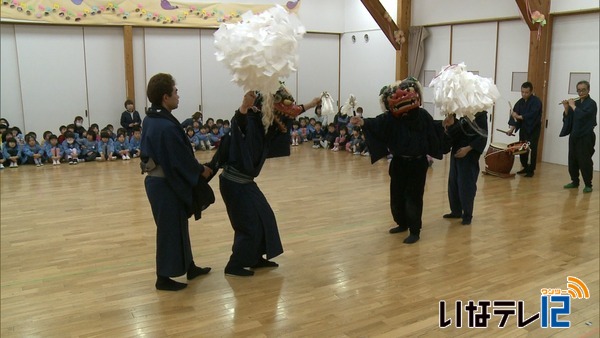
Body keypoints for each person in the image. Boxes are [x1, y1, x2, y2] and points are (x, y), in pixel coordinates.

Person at [350, 78, 447, 244]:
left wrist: (446, 124)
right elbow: (377, 123)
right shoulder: (392, 118)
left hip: (417, 163)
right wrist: (363, 121)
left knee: (414, 197)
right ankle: (402, 223)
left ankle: (415, 230)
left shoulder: (422, 115)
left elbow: (433, 127)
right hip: (399, 162)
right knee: (397, 196)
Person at [141, 73, 213, 291]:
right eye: (176, 91)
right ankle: (163, 278)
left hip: (160, 181)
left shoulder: (153, 118)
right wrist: (201, 170)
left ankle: (189, 266)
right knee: (168, 229)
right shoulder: (165, 126)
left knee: (179, 224)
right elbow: (179, 159)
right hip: (164, 183)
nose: (178, 96)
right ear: (165, 97)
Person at [218, 91, 289, 277]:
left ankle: (255, 258)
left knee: (264, 216)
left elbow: (288, 114)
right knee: (247, 224)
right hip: (233, 182)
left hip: (245, 183)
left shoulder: (261, 122)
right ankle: (234, 265)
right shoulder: (249, 119)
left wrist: (312, 104)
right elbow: (239, 122)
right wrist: (244, 106)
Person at [442, 112, 488, 225]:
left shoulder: (480, 115)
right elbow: (457, 132)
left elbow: (482, 137)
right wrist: (450, 124)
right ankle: (456, 211)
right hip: (457, 151)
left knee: (466, 185)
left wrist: (467, 149)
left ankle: (467, 214)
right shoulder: (464, 114)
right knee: (453, 183)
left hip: (469, 154)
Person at [560, 80, 597, 193]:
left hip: (585, 136)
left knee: (584, 160)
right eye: (579, 90)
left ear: (588, 90)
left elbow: (583, 116)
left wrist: (572, 105)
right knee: (572, 160)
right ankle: (575, 181)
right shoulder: (577, 103)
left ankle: (588, 184)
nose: (581, 93)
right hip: (574, 135)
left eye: (583, 90)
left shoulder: (591, 103)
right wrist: (566, 107)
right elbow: (569, 119)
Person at [506, 82, 542, 177]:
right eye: (522, 92)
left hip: (533, 129)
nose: (524, 94)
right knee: (522, 147)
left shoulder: (536, 102)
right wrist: (511, 129)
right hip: (524, 129)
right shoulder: (520, 102)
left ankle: (531, 170)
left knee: (531, 149)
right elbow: (515, 117)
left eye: (526, 92)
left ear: (531, 91)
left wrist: (519, 116)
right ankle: (525, 167)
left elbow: (533, 115)